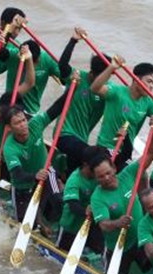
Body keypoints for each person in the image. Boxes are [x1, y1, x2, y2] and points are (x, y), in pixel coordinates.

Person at [88, 117, 153, 273]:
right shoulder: (98, 197)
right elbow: (104, 225)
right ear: (96, 178)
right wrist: (118, 223)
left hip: (138, 239)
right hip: (116, 247)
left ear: (114, 168)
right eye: (101, 176)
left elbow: (151, 152)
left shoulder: (128, 174)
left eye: (108, 173)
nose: (106, 178)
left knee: (148, 266)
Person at [2, 83, 73, 224]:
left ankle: (55, 225)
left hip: (46, 173)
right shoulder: (10, 148)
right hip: (23, 186)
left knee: (58, 201)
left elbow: (57, 107)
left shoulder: (36, 124)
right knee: (25, 223)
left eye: (23, 120)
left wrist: (71, 88)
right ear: (9, 128)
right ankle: (37, 221)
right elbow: (18, 175)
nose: (23, 125)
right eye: (17, 123)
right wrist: (35, 176)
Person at [90, 54, 153, 169]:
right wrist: (112, 68)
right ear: (136, 79)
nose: (151, 86)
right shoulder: (117, 92)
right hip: (106, 147)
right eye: (149, 81)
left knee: (142, 177)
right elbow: (95, 88)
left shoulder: (148, 102)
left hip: (125, 152)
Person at [53, 28, 106, 170]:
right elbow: (62, 66)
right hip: (64, 134)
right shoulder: (77, 77)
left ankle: (62, 174)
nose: (105, 82)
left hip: (81, 140)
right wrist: (73, 41)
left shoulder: (106, 91)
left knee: (74, 172)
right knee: (95, 157)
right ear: (92, 73)